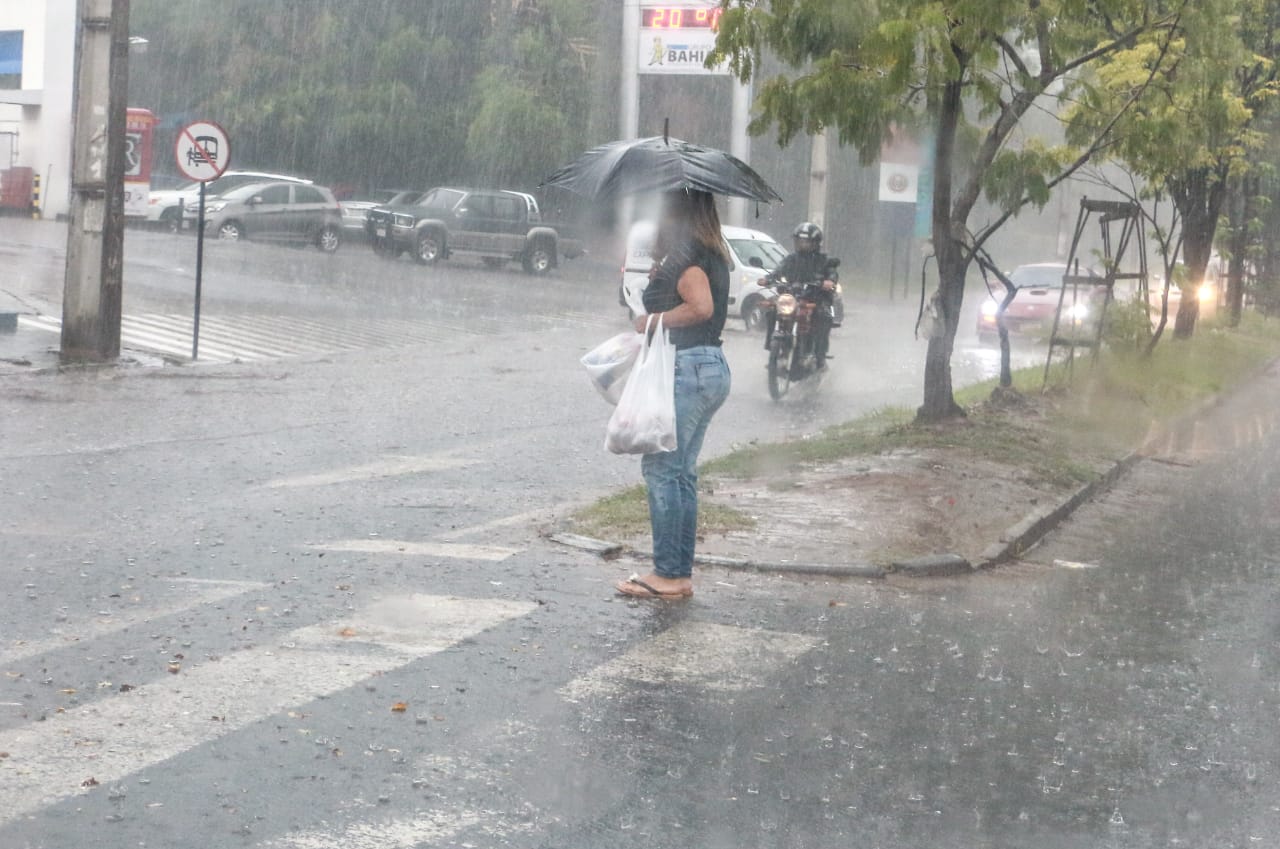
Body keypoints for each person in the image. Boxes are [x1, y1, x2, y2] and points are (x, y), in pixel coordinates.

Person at [615, 188, 733, 601]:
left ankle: (668, 573)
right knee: (681, 472)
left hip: (688, 366)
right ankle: (677, 573)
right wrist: (661, 282)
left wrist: (652, 319)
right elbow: (701, 301)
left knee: (663, 470)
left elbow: (699, 307)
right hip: (708, 365)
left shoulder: (689, 253)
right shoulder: (709, 251)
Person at [761, 221, 840, 368]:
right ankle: (773, 347)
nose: (802, 245)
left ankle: (819, 355)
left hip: (815, 297)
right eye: (800, 241)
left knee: (823, 316)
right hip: (793, 296)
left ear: (815, 243)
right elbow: (779, 270)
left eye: (806, 242)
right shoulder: (791, 259)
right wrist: (768, 279)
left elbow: (832, 273)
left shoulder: (823, 260)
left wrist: (829, 281)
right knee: (773, 310)